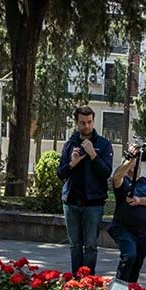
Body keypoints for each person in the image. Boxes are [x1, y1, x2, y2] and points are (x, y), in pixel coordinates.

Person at [57, 106, 114, 274]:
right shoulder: (70, 145)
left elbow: (106, 172)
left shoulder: (103, 144)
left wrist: (93, 155)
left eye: (89, 122)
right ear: (77, 123)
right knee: (75, 245)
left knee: (90, 245)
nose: (86, 126)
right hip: (71, 201)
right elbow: (61, 173)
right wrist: (72, 163)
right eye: (82, 123)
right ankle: (76, 280)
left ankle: (88, 282)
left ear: (93, 121)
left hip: (93, 204)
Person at [108, 143, 146, 283]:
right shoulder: (123, 181)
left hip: (142, 233)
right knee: (129, 255)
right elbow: (116, 177)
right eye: (133, 163)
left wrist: (139, 200)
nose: (135, 165)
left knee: (136, 263)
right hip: (123, 229)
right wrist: (129, 159)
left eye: (138, 161)